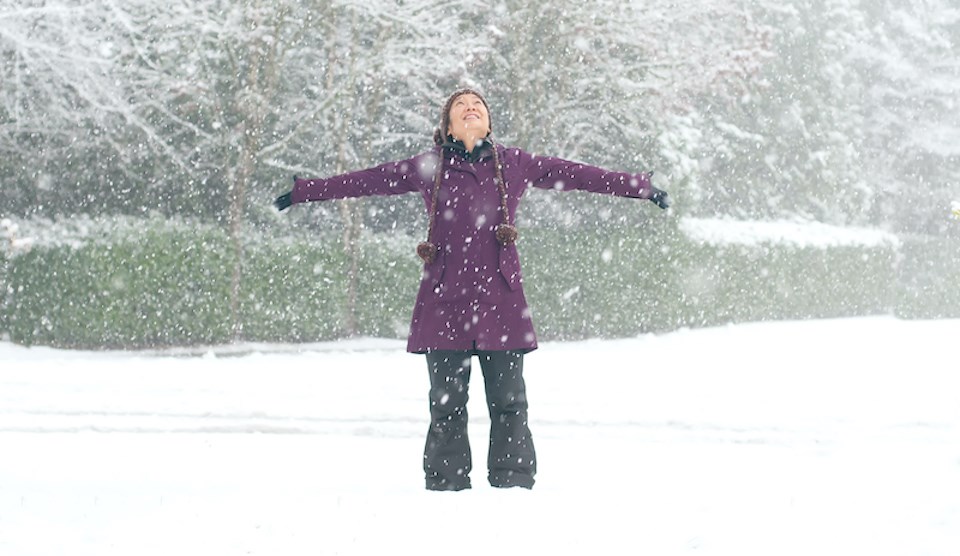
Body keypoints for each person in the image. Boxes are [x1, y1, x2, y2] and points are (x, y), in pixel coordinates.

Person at [274, 88, 670, 491]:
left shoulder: (515, 164)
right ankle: (447, 488)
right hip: (444, 303)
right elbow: (368, 181)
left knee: (510, 404)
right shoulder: (429, 165)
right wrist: (306, 190)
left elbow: (578, 174)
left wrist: (638, 186)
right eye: (461, 106)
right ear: (447, 126)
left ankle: (513, 484)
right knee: (446, 407)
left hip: (501, 301)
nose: (470, 108)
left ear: (489, 122)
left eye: (478, 105)